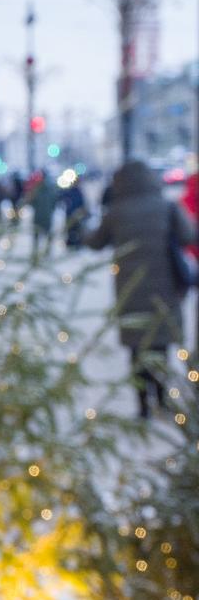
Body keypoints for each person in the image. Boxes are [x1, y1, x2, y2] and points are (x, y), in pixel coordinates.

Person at [86, 160, 197, 418]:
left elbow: (95, 242)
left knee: (137, 349)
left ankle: (143, 406)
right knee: (161, 347)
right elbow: (188, 234)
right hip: (165, 289)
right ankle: (162, 400)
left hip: (130, 289)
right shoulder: (167, 206)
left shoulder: (116, 211)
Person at [24, 170, 59, 259]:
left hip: (40, 216)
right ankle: (44, 252)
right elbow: (54, 202)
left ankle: (41, 252)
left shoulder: (38, 189)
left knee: (39, 236)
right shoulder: (50, 188)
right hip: (45, 216)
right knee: (44, 235)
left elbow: (31, 202)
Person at [59, 174, 88, 249]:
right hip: (69, 215)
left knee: (76, 231)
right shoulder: (69, 192)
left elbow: (82, 204)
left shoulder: (79, 192)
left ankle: (77, 244)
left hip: (77, 216)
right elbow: (62, 199)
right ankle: (70, 244)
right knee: (70, 231)